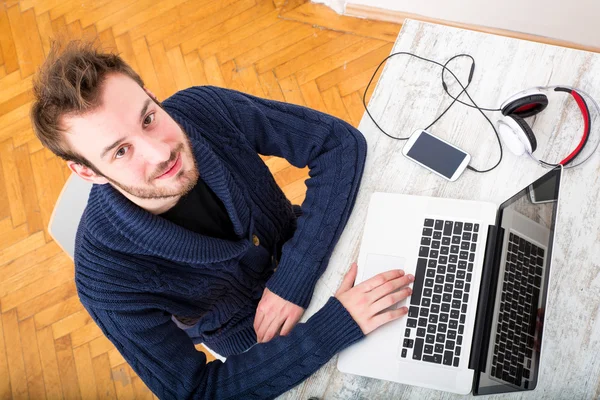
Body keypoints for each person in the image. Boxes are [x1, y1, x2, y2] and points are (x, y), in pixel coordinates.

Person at [31, 42, 414, 399]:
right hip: (257, 342)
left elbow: (337, 142)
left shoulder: (202, 109)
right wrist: (334, 326)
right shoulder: (104, 278)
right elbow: (197, 392)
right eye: (121, 151)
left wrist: (292, 278)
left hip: (317, 246)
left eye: (148, 118)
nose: (161, 152)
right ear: (87, 173)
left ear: (150, 94)